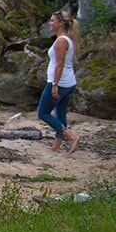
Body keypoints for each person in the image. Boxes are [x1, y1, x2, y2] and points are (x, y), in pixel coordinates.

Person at [37, 11, 81, 153]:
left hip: (60, 83)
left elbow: (59, 65)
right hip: (68, 82)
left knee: (43, 113)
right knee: (60, 113)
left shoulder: (61, 41)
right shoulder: (67, 38)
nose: (50, 23)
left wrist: (54, 85)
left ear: (60, 23)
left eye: (52, 21)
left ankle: (71, 137)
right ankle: (56, 146)